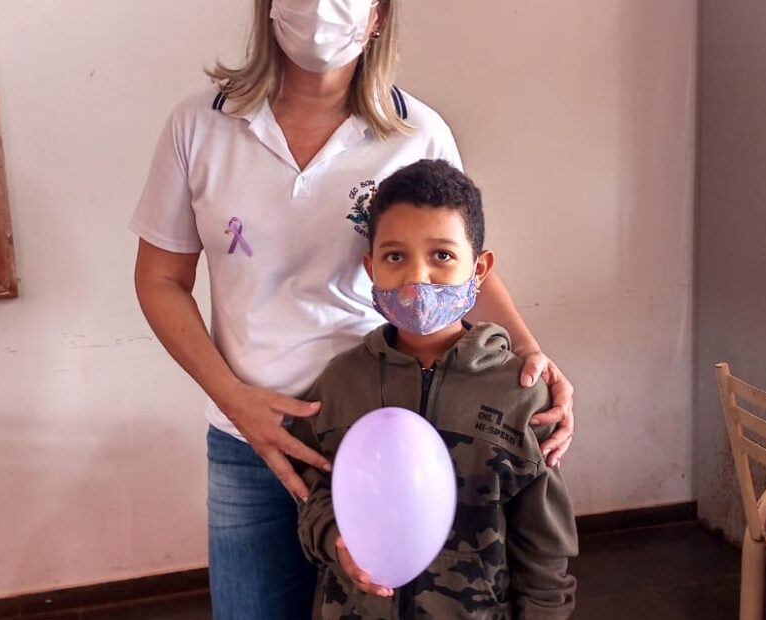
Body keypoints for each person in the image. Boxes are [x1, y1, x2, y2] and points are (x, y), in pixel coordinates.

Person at [131, 1, 575, 618]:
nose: (320, 8)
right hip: (249, 438)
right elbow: (160, 279)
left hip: (382, 430)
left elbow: (455, 258)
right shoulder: (200, 125)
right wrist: (235, 400)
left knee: (379, 604)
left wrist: (530, 354)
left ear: (377, 14)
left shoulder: (416, 131)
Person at [293, 159, 578, 619]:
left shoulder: (521, 396)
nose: (417, 277)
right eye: (395, 257)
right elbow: (311, 489)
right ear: (370, 267)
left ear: (479, 268)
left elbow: (545, 551)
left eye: (442, 255)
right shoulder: (340, 383)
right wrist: (334, 540)